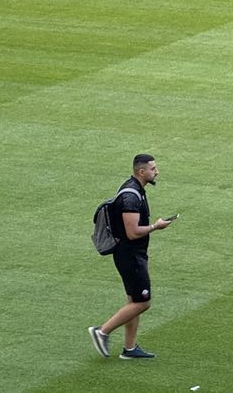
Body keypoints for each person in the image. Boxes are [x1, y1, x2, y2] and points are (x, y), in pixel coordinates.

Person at [88, 154, 174, 359]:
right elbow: (133, 232)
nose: (157, 172)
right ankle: (102, 331)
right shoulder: (131, 197)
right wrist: (156, 226)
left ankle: (129, 348)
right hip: (130, 256)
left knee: (133, 301)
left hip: (134, 254)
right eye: (153, 169)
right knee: (143, 302)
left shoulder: (135, 190)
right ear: (141, 172)